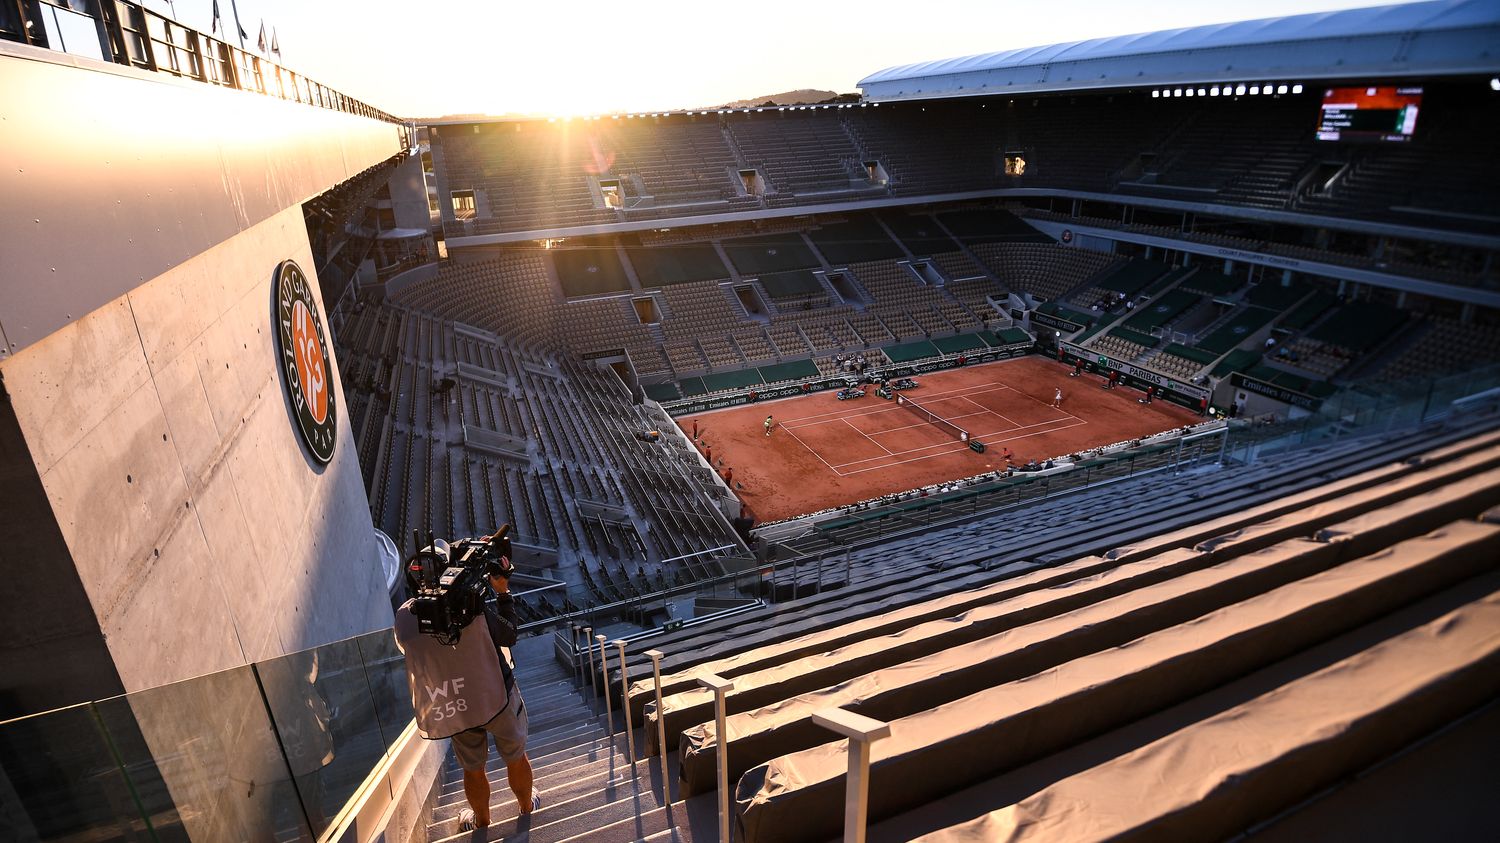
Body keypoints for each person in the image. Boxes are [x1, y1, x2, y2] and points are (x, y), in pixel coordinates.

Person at [394, 538, 539, 831]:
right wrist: (503, 593)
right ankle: (526, 808)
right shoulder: (471, 604)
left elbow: (406, 647)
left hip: (454, 702)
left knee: (473, 769)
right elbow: (508, 634)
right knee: (515, 757)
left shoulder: (405, 617)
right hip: (495, 696)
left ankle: (482, 822)